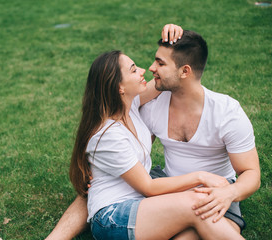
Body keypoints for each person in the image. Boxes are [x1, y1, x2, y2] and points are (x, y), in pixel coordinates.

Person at [46, 24, 260, 239]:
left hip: (213, 189)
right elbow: (142, 178)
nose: (148, 69)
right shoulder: (148, 107)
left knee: (192, 228)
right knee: (195, 207)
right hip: (156, 191)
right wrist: (100, 169)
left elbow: (251, 173)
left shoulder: (226, 112)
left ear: (185, 71)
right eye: (136, 68)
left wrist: (229, 193)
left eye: (159, 63)